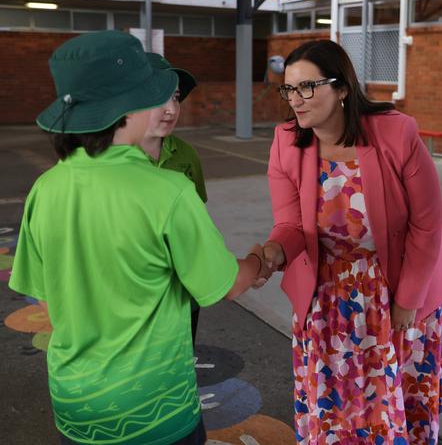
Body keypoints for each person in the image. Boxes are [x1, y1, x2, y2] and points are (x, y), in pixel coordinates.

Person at [8, 30, 270, 444]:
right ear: (128, 106)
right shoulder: (167, 191)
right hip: (154, 408)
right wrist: (258, 262)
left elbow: (46, 299)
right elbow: (226, 286)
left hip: (74, 405)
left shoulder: (46, 187)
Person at [259, 39, 442, 444]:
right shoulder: (286, 141)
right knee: (337, 405)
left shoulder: (395, 133)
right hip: (329, 296)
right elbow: (291, 225)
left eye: (308, 87)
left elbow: (427, 224)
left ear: (343, 88)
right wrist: (271, 253)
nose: (296, 99)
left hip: (399, 289)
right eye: (289, 89)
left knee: (395, 402)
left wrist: (408, 300)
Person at [140, 52, 206, 346]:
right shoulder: (107, 162)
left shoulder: (186, 154)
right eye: (158, 99)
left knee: (179, 366)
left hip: (182, 291)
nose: (170, 110)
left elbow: (196, 224)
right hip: (135, 297)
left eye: (176, 97)